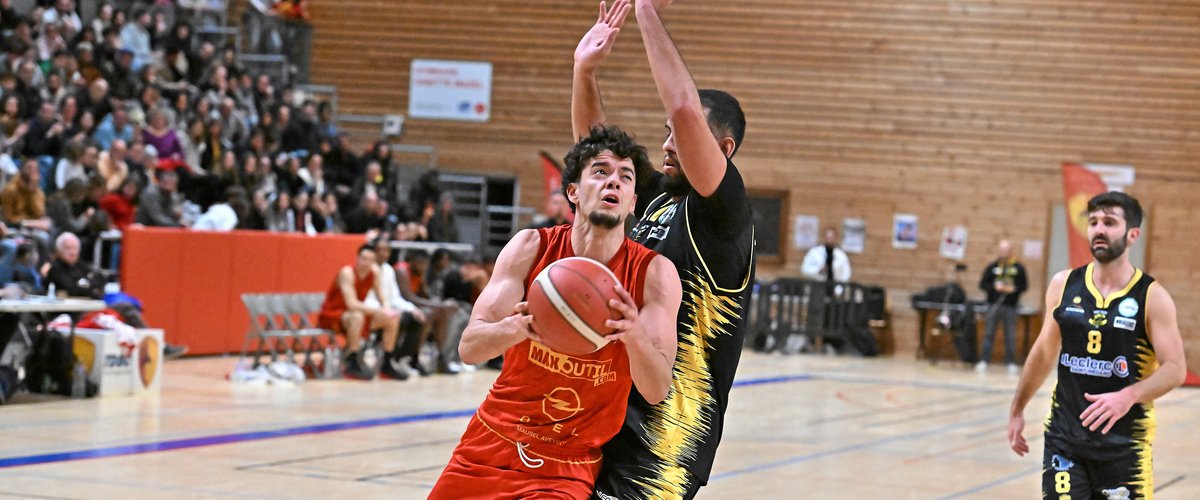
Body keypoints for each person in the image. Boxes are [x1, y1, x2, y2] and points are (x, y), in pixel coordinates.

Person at [429, 126, 681, 499]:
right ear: (573, 192)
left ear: (632, 203)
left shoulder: (654, 274)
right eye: (601, 171)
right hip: (490, 442)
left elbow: (657, 389)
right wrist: (517, 327)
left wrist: (633, 334)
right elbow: (470, 348)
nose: (614, 181)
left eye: (625, 177)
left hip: (567, 464)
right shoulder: (530, 247)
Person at [571, 1, 755, 497]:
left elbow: (682, 107)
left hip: (666, 445)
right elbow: (597, 154)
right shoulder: (656, 199)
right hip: (610, 412)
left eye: (680, 135)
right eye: (666, 135)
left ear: (725, 148)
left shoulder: (725, 214)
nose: (668, 142)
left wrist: (646, 9)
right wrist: (583, 72)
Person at [1008, 192, 1186, 499]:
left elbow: (1175, 369)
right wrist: (1017, 408)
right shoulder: (1064, 284)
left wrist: (1128, 396)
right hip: (1066, 439)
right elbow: (1043, 351)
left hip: (1124, 448)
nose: (1099, 229)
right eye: (1093, 222)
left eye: (1109, 222)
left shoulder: (1151, 296)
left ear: (1133, 235)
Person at [316, 244, 404, 380]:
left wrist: (387, 309)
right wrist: (378, 310)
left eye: (369, 260)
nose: (365, 263)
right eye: (363, 258)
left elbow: (382, 298)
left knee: (392, 318)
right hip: (334, 315)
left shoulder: (373, 274)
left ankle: (387, 363)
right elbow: (351, 304)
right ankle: (352, 360)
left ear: (374, 261)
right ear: (357, 258)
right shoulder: (347, 273)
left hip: (358, 315)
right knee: (357, 316)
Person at [976, 239, 1028, 375]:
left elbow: (1024, 286)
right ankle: (984, 361)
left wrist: (1013, 289)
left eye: (1007, 250)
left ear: (1011, 251)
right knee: (989, 333)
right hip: (993, 305)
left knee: (1010, 335)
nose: (1004, 252)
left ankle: (1010, 362)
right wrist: (994, 287)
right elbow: (982, 284)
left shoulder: (1018, 268)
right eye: (1002, 250)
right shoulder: (992, 267)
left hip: (1011, 307)